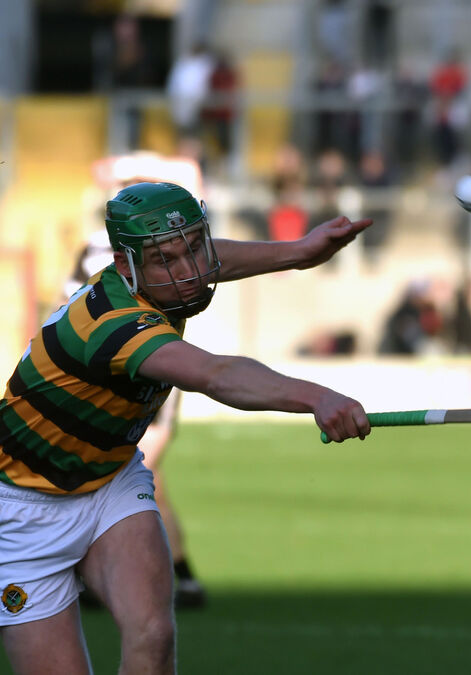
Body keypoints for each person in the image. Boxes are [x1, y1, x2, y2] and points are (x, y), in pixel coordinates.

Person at [0, 181, 372, 674]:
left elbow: (215, 259)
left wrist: (300, 252)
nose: (189, 272)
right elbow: (215, 374)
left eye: (194, 247)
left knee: (153, 636)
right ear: (125, 264)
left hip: (109, 480)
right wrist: (316, 397)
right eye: (165, 259)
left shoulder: (159, 278)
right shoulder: (112, 323)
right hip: (20, 508)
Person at [64, 232, 208, 610]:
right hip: (110, 380)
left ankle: (170, 577)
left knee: (140, 475)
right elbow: (70, 306)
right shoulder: (95, 250)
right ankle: (172, 577)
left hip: (149, 373)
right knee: (135, 480)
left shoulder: (156, 247)